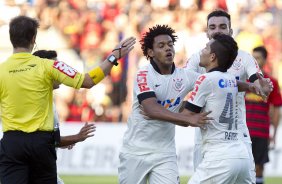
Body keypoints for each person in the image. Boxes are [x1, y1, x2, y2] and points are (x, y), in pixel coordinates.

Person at [0, 15, 135, 184]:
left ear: (11, 38)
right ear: (34, 38)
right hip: (41, 143)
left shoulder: (2, 70)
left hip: (12, 143)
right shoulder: (48, 65)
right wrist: (114, 56)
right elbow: (88, 80)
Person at [184, 9, 272, 183]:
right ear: (206, 32)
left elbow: (258, 81)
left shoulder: (244, 58)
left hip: (238, 135)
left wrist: (261, 85)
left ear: (231, 31)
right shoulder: (197, 59)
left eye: (223, 26)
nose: (217, 30)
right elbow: (181, 84)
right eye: (213, 27)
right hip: (205, 137)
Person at [118, 25, 213, 184]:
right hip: (135, 152)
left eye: (170, 44)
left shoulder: (185, 76)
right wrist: (186, 119)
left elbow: (213, 82)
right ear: (150, 52)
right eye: (161, 46)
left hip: (164, 153)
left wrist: (250, 85)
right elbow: (150, 108)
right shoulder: (143, 73)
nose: (168, 48)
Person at [183, 33, 254, 184]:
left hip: (219, 157)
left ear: (212, 57)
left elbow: (186, 116)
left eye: (206, 48)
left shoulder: (205, 79)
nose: (202, 50)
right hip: (241, 155)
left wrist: (159, 110)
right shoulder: (231, 79)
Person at [245, 46, 282, 184]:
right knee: (242, 167)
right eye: (253, 57)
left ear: (265, 60)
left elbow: (277, 109)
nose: (255, 60)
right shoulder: (244, 80)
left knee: (259, 168)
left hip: (261, 131)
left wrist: (275, 134)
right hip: (243, 132)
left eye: (258, 58)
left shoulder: (271, 82)